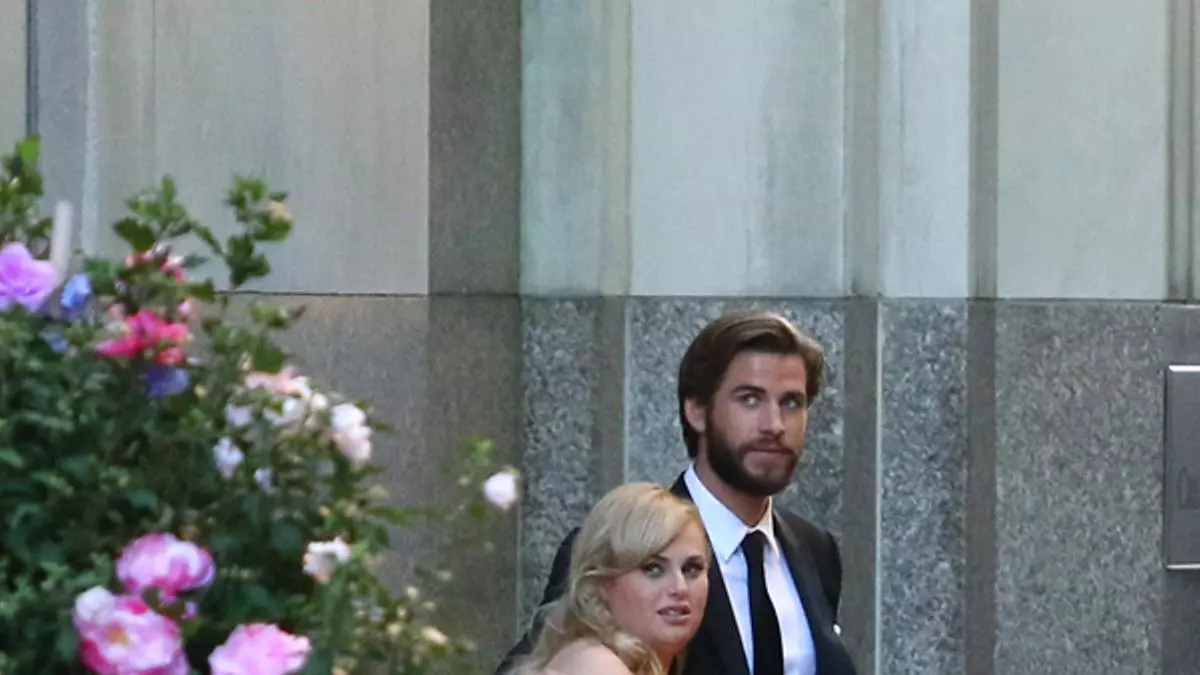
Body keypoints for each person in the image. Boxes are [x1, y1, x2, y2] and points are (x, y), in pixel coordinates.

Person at [497, 310, 858, 675]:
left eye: (792, 402)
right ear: (696, 411)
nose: (774, 425)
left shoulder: (815, 549)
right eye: (750, 399)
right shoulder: (620, 546)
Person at [508, 482, 710, 675]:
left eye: (692, 569)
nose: (680, 587)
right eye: (653, 569)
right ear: (603, 581)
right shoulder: (598, 665)